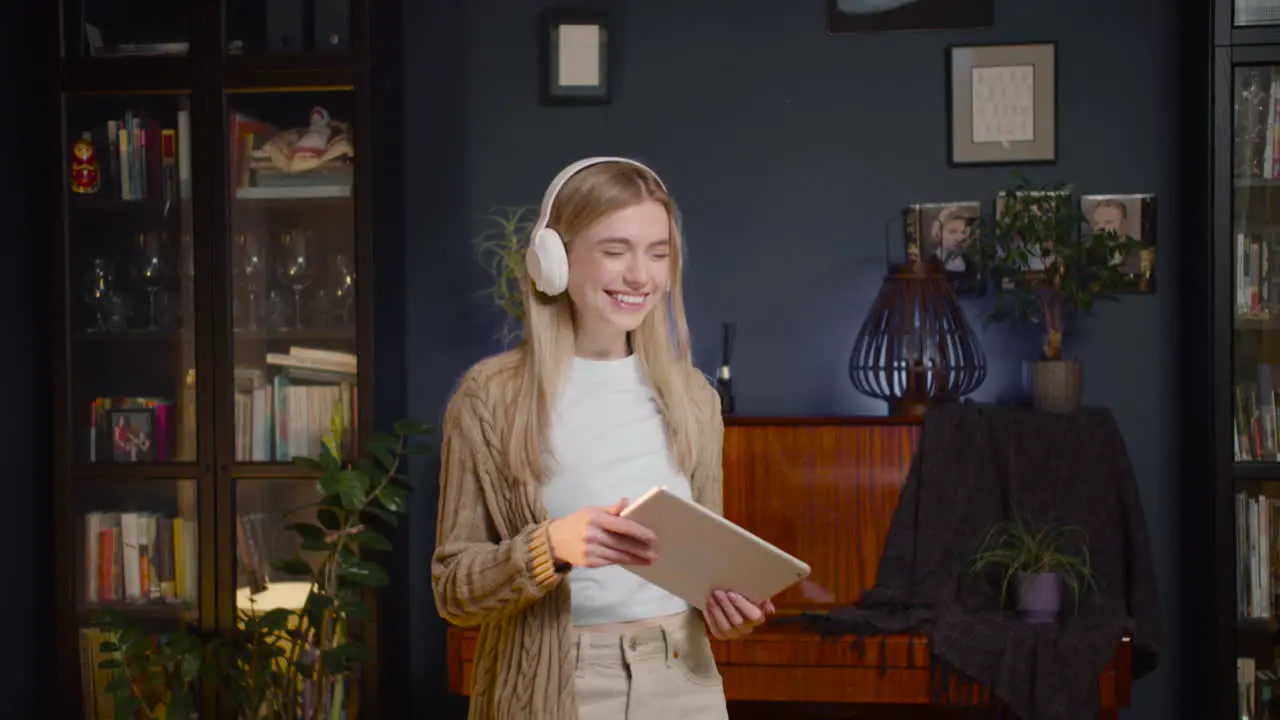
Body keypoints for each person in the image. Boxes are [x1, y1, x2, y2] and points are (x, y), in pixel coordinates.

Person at [432, 156, 773, 720]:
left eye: (658, 253)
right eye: (615, 251)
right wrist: (551, 547)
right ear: (554, 260)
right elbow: (453, 592)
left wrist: (726, 609)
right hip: (554, 684)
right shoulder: (489, 398)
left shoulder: (694, 400)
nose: (641, 276)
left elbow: (706, 572)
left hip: (683, 681)